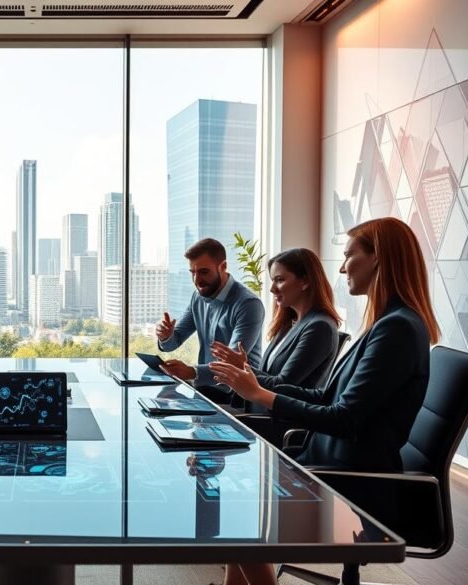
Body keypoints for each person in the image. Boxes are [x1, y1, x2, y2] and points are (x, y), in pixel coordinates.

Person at [208, 217, 441, 585]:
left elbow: (343, 418)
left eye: (350, 255)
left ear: (379, 259)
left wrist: (261, 394)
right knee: (237, 503)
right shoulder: (385, 324)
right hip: (330, 463)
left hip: (352, 480)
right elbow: (326, 397)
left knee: (238, 510)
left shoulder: (397, 328)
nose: (343, 265)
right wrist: (255, 387)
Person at [210, 248, 341, 413]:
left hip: (275, 422)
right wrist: (241, 366)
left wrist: (242, 367)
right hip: (255, 412)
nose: (272, 288)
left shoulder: (319, 328)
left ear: (305, 281)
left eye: (279, 280)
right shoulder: (289, 324)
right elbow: (269, 377)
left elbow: (281, 386)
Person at [157, 239, 265, 395]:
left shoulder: (248, 304)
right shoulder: (198, 297)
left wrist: (191, 372)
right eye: (193, 273)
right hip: (205, 391)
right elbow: (173, 343)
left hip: (236, 397)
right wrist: (166, 336)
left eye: (203, 272)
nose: (197, 280)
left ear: (223, 266)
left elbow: (232, 364)